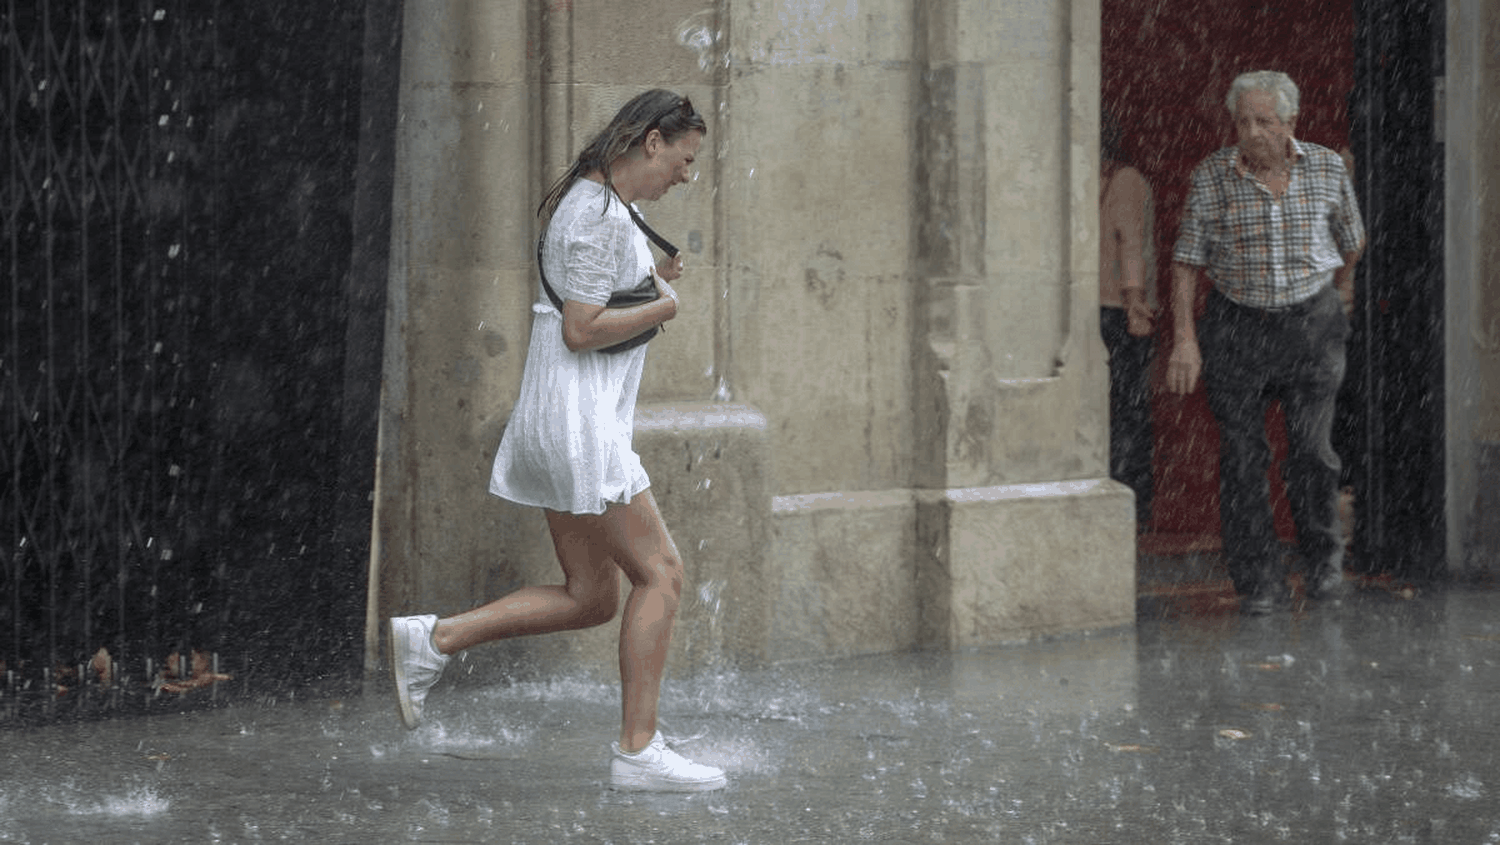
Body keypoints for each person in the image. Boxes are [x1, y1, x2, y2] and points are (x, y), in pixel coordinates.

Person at [388, 89, 727, 792]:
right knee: (661, 574)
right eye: (684, 159)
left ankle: (434, 639)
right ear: (653, 142)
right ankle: (638, 751)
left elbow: (588, 293)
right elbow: (580, 328)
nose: (686, 175)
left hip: (556, 416)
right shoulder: (600, 214)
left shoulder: (594, 203)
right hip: (582, 424)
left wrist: (647, 278)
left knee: (591, 596)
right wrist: (664, 304)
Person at [1165, 71, 1365, 616]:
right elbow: (1187, 261)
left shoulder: (1324, 167)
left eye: (1264, 121)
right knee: (1243, 458)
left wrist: (1340, 291)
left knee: (1312, 454)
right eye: (1243, 121)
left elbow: (1353, 239)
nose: (1251, 132)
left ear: (1289, 123)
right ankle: (1260, 582)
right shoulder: (1213, 176)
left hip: (1311, 327)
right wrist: (1185, 338)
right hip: (1236, 327)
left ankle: (1324, 566)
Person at [1099, 108, 1157, 529]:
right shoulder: (1125, 180)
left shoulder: (1110, 181)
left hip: (1108, 310)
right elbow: (1130, 242)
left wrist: (1132, 301)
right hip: (1119, 311)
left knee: (1117, 407)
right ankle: (1130, 499)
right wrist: (1137, 302)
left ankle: (1120, 493)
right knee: (1129, 408)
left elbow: (1127, 242)